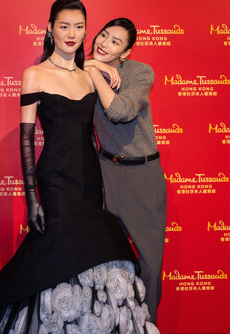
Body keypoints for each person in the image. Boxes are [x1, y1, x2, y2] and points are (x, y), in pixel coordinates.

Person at [0, 0, 159, 334]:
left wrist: (98, 67)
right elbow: (26, 139)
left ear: (86, 31)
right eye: (64, 26)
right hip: (55, 177)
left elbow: (113, 114)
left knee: (89, 251)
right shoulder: (35, 75)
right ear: (50, 29)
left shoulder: (89, 76)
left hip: (91, 177)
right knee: (56, 250)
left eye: (79, 26)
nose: (72, 33)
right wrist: (32, 198)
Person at [84, 18, 167, 324]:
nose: (104, 43)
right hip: (105, 171)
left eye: (115, 42)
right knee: (107, 261)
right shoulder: (84, 69)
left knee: (149, 265)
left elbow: (120, 111)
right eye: (104, 35)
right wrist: (94, 66)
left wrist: (95, 70)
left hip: (141, 174)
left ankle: (147, 327)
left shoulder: (140, 72)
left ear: (126, 52)